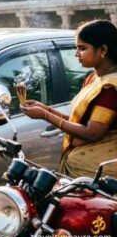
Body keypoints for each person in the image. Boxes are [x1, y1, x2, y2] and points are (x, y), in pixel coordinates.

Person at [21, 20, 117, 177]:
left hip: (99, 169)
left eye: (82, 48)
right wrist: (46, 109)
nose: (76, 54)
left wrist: (45, 115)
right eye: (76, 48)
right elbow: (79, 122)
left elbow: (92, 133)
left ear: (103, 50)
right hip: (81, 159)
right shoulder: (93, 78)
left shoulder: (111, 87)